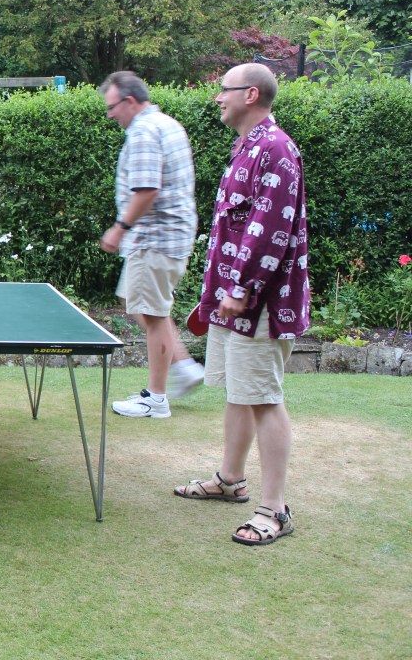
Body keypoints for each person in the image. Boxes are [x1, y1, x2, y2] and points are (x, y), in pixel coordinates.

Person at [173, 62, 309, 546]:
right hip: (232, 297)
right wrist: (221, 291)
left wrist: (242, 287)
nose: (218, 98)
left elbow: (271, 226)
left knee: (264, 398)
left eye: (224, 90)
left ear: (250, 94)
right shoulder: (247, 147)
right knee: (239, 391)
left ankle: (275, 509)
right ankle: (230, 481)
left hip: (259, 302)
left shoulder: (275, 149)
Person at [98, 71, 203, 418]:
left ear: (129, 101)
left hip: (153, 238)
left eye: (112, 107)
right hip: (170, 236)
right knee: (137, 303)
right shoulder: (167, 123)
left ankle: (156, 399)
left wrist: (119, 228)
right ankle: (184, 366)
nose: (110, 114)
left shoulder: (143, 131)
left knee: (153, 314)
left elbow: (147, 190)